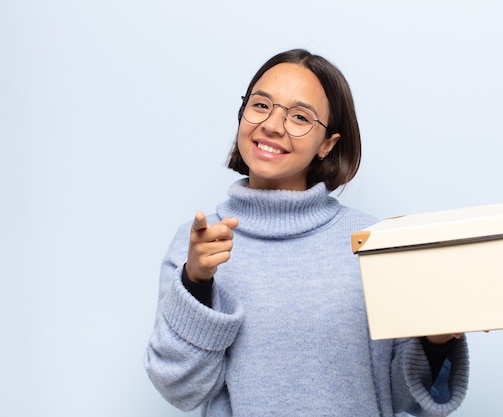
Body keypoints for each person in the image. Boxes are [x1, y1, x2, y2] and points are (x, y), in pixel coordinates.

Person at [144, 48, 469, 416]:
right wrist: (197, 282)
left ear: (327, 144)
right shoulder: (199, 247)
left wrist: (438, 338)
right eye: (261, 105)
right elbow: (178, 387)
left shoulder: (372, 245)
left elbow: (407, 397)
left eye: (300, 117)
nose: (271, 125)